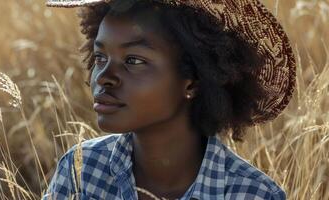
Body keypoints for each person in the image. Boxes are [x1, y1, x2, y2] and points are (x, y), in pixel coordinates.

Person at [43, 0, 296, 199]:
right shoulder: (82, 170)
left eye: (133, 61)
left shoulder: (252, 195)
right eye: (100, 58)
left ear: (193, 80)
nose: (104, 77)